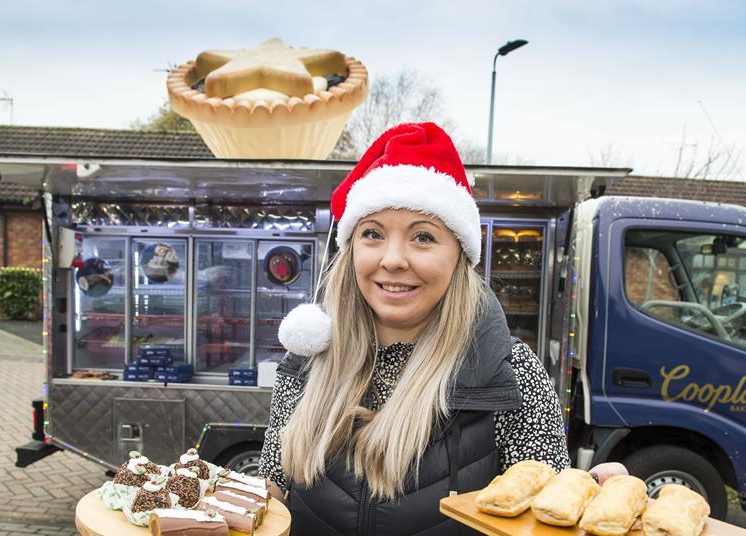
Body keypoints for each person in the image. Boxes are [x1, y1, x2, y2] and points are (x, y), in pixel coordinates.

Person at [260, 122, 625, 535]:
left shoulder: (511, 373)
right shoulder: (308, 358)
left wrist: (592, 510)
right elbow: (274, 497)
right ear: (351, 249)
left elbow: (544, 516)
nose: (394, 259)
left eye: (423, 237)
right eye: (373, 234)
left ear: (459, 256)